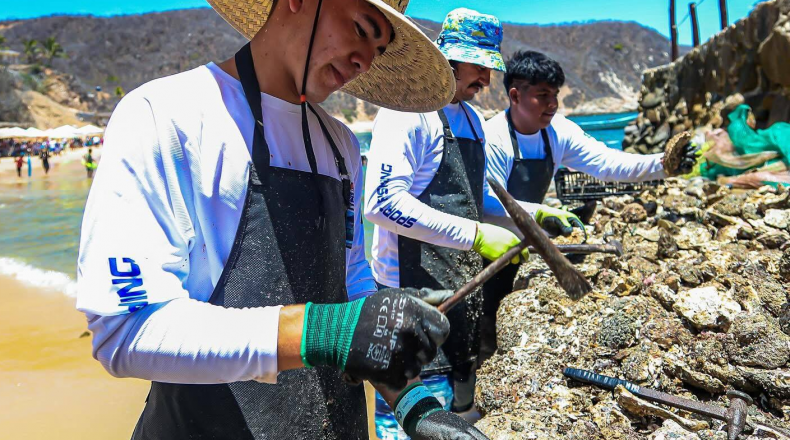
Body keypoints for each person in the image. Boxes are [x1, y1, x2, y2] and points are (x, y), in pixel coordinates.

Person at [75, 0, 489, 439]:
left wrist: (414, 404)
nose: (365, 61)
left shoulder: (341, 145)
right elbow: (125, 329)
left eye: (379, 49)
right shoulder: (166, 115)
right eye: (361, 28)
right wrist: (323, 331)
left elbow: (351, 284)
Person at [365, 8, 538, 419]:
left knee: (459, 411)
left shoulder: (473, 120)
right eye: (478, 67)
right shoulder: (408, 112)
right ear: (449, 59)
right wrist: (476, 236)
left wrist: (533, 215)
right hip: (409, 294)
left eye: (489, 68)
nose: (486, 80)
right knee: (412, 416)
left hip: (461, 291)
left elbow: (474, 197)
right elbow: (382, 203)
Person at [480, 50, 698, 362]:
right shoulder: (493, 138)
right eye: (543, 95)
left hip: (530, 243)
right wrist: (539, 213)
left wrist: (662, 164)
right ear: (515, 96)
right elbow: (487, 203)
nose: (553, 104)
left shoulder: (558, 131)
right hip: (491, 248)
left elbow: (607, 163)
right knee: (485, 326)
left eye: (555, 95)